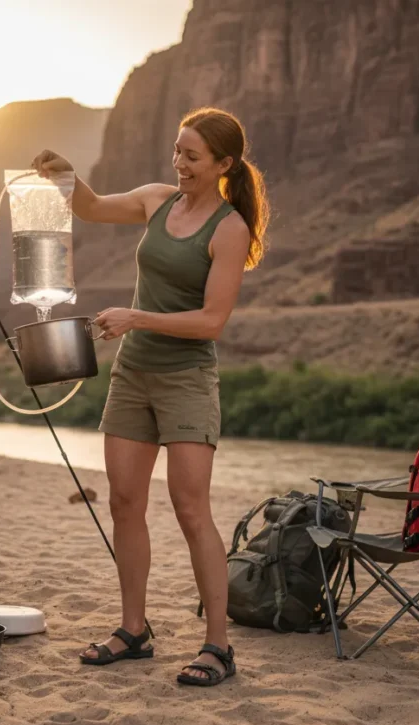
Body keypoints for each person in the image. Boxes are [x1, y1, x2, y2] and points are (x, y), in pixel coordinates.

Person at [31, 107, 270, 688]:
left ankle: (218, 645)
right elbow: (88, 207)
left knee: (191, 511)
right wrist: (65, 175)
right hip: (133, 376)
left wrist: (137, 316)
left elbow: (212, 322)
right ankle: (133, 631)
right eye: (176, 151)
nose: (179, 163)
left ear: (223, 164)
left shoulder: (230, 228)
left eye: (192, 156)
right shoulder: (156, 200)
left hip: (186, 379)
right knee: (124, 502)